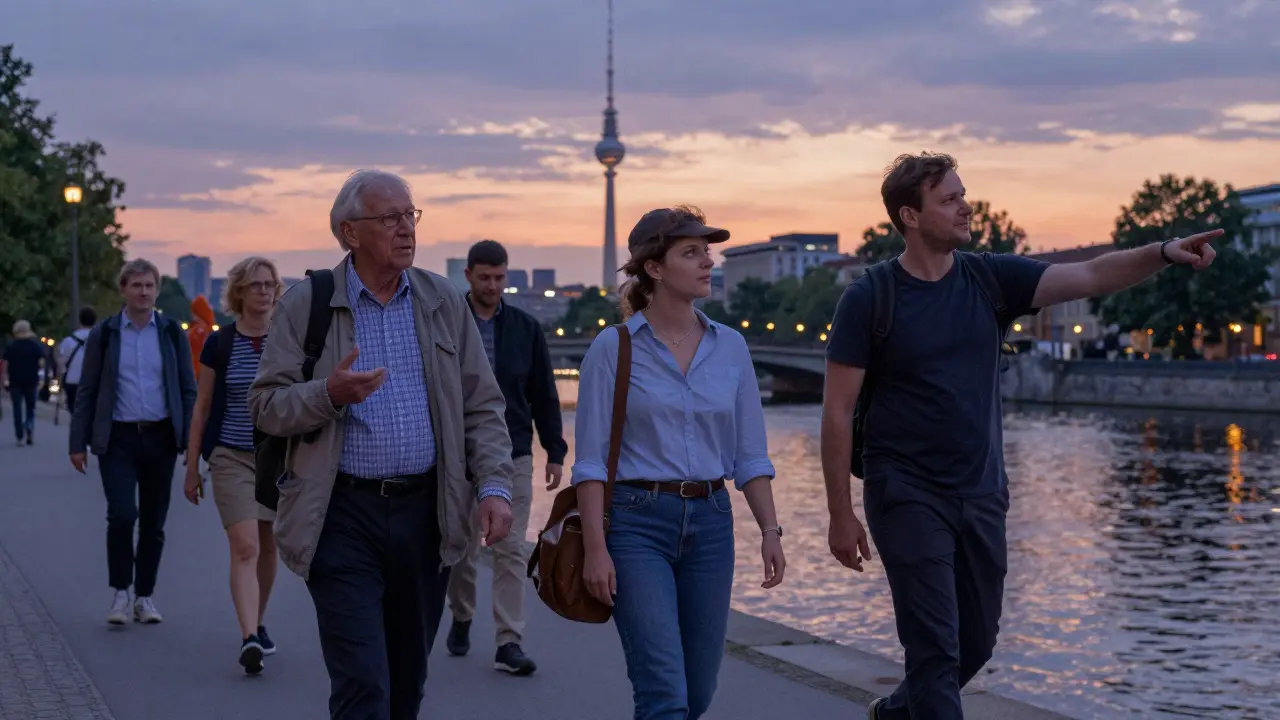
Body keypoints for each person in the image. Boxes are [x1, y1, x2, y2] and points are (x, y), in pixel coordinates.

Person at [820, 152, 1222, 720]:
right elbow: (837, 411)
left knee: (976, 644)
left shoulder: (990, 277)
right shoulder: (871, 297)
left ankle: (896, 713)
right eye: (950, 199)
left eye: (963, 193)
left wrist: (1162, 253)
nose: (966, 206)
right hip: (904, 491)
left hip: (981, 491)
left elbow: (1091, 274)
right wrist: (840, 513)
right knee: (934, 648)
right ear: (910, 216)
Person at [250, 169, 515, 720]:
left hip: (427, 515)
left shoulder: (442, 300)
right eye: (388, 217)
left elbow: (482, 406)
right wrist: (329, 393)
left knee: (406, 686)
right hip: (341, 515)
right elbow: (267, 406)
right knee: (362, 685)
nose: (405, 229)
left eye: (409, 215)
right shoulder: (306, 303)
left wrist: (494, 487)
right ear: (350, 232)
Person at [574, 205, 786, 720]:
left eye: (706, 252)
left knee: (698, 692)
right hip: (635, 524)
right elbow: (591, 463)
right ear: (654, 267)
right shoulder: (613, 348)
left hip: (712, 526)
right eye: (691, 253)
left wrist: (770, 530)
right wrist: (596, 552)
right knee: (663, 694)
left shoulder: (731, 347)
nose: (707, 263)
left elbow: (750, 454)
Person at [444, 239, 567, 675]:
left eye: (500, 278)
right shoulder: (447, 321)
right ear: (469, 276)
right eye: (485, 278)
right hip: (456, 453)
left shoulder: (525, 329)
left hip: (513, 449)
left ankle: (508, 640)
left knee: (512, 546)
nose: (493, 286)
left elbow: (543, 394)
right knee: (460, 546)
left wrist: (555, 449)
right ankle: (461, 613)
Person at [69, 258, 198, 626]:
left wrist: (190, 441)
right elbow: (88, 390)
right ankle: (120, 593)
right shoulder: (106, 333)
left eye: (149, 286)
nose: (144, 292)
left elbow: (188, 390)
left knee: (155, 522)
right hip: (119, 438)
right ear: (123, 289)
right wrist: (77, 442)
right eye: (137, 285)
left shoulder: (172, 332)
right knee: (123, 514)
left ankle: (145, 596)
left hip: (160, 437)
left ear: (156, 290)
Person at [182, 257, 284, 675]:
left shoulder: (286, 341)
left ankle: (258, 622)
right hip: (230, 456)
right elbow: (202, 408)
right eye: (255, 285)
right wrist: (192, 468)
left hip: (276, 459)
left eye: (269, 285)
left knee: (269, 544)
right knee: (246, 546)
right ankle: (248, 638)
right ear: (238, 292)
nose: (263, 291)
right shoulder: (220, 343)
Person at [2, 320, 44, 446]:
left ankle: (19, 435)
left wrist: (5, 380)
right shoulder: (35, 346)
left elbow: (5, 365)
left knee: (17, 408)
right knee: (30, 407)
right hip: (31, 380)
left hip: (15, 381)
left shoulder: (11, 346)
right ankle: (29, 426)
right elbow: (41, 363)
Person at [58, 306, 98, 414]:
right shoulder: (100, 340)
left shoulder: (68, 341)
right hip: (92, 383)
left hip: (72, 382)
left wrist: (60, 381)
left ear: (80, 320)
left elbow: (61, 364)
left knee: (75, 413)